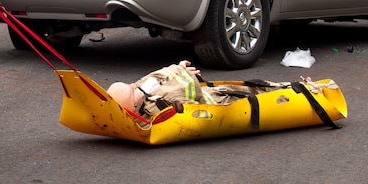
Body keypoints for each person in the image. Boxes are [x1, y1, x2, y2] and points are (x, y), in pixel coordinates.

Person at [107, 60, 281, 122]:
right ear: (135, 105)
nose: (132, 85)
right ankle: (296, 90)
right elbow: (191, 104)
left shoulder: (140, 90)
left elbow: (158, 77)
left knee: (252, 87)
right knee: (254, 93)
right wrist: (185, 75)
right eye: (130, 89)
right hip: (217, 102)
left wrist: (178, 68)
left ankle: (287, 87)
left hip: (211, 95)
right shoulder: (156, 106)